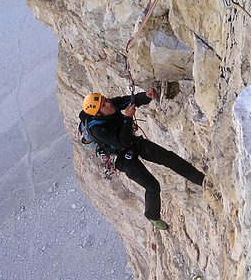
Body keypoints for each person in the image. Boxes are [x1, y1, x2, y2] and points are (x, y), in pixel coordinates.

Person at [81, 89, 205, 230]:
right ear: (98, 114)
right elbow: (122, 142)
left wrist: (146, 96)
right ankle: (152, 216)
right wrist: (127, 118)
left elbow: (127, 100)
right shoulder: (97, 129)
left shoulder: (109, 106)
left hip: (132, 143)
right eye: (104, 105)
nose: (109, 104)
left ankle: (201, 179)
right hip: (122, 158)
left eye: (106, 100)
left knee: (168, 157)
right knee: (152, 186)